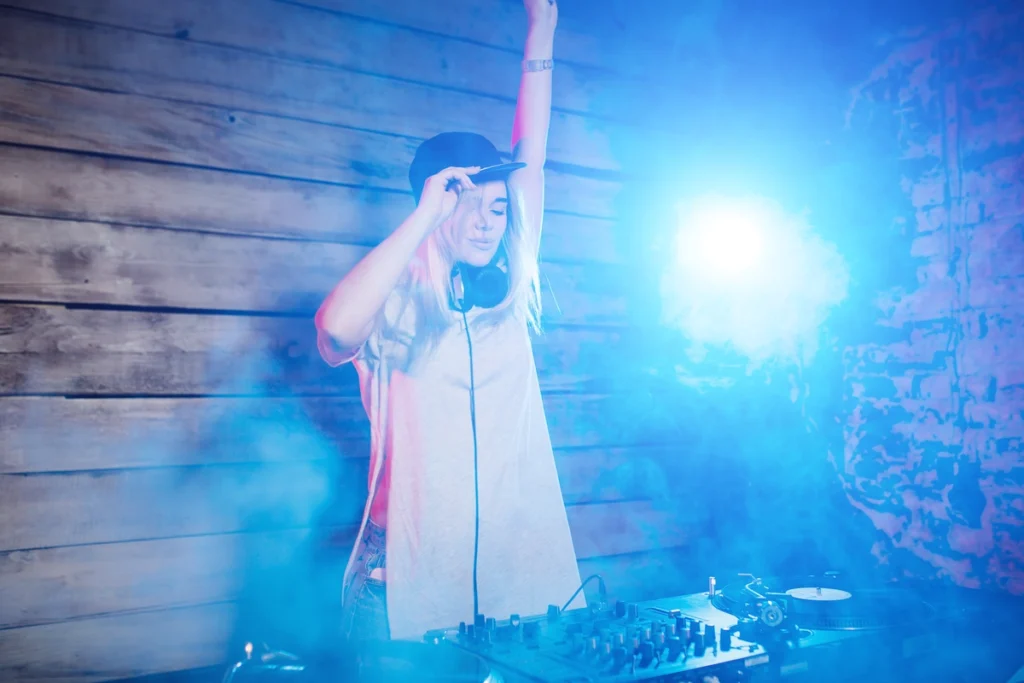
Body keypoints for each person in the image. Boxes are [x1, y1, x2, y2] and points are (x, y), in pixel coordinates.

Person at [314, 0, 584, 642]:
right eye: (473, 205)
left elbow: (533, 158)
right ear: (436, 208)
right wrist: (424, 217)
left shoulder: (510, 283)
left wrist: (540, 27)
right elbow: (334, 331)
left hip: (513, 584)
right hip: (404, 587)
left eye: (499, 206)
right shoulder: (393, 300)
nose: (492, 220)